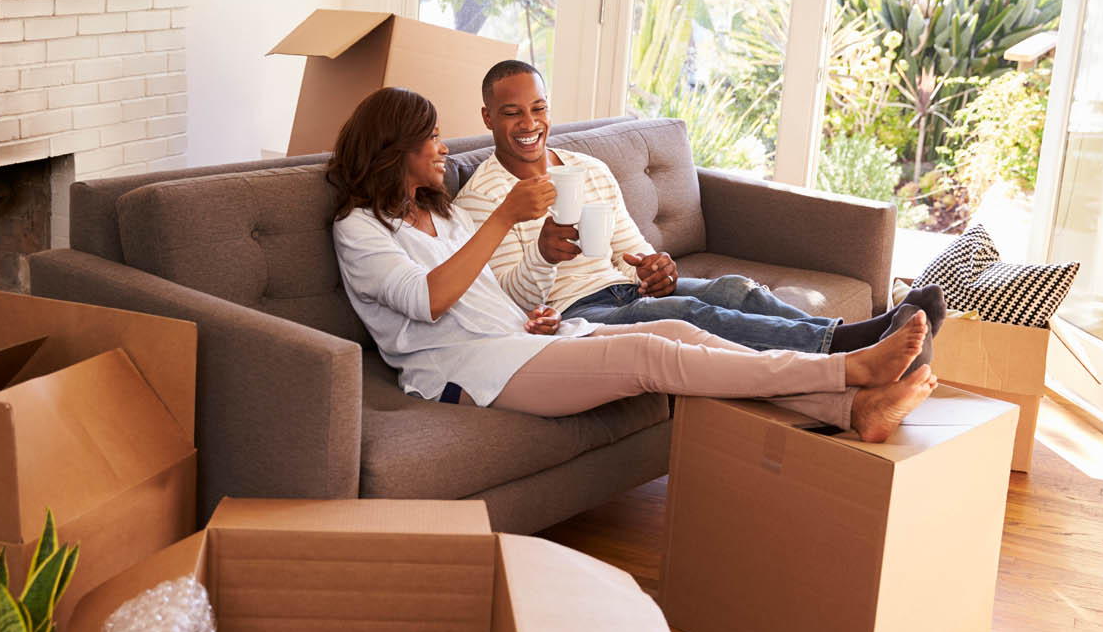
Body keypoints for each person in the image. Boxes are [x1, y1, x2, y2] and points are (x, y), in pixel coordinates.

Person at [328, 86, 939, 442]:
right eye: (431, 137)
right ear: (394, 149)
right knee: (651, 354)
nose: (442, 147)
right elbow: (428, 299)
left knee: (676, 329)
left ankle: (853, 409)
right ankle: (846, 370)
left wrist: (539, 285)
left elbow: (493, 292)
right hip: (465, 371)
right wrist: (505, 219)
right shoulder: (358, 230)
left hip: (519, 339)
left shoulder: (442, 214)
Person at [453, 59, 946, 358]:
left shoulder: (588, 168)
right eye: (511, 112)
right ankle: (851, 345)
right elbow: (509, 299)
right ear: (488, 118)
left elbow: (632, 250)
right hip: (574, 314)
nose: (528, 123)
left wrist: (656, 268)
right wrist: (543, 254)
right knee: (687, 311)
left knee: (731, 289)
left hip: (621, 288)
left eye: (537, 108)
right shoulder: (482, 197)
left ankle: (859, 333)